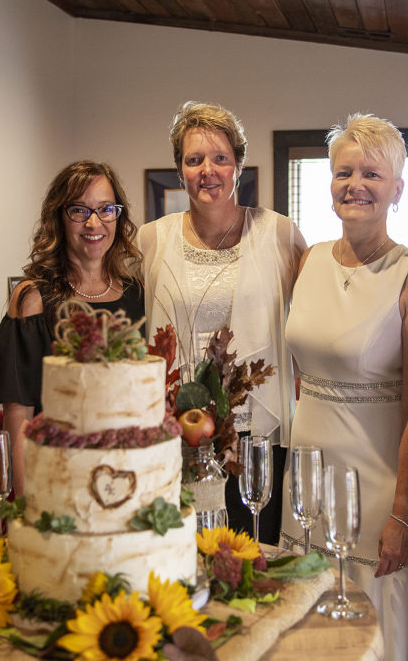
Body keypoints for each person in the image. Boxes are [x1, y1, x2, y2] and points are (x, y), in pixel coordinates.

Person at [279, 113, 408, 660]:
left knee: (376, 617)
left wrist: (404, 508)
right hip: (307, 473)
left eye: (372, 174)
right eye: (344, 172)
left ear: (397, 189)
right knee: (306, 607)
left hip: (379, 481)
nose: (356, 184)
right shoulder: (306, 261)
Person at [138, 101, 305, 544]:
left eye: (220, 159)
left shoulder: (279, 235)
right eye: (194, 160)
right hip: (179, 432)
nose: (208, 170)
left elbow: (314, 319)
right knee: (184, 555)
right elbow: (103, 291)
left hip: (257, 436)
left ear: (239, 165)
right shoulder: (152, 239)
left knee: (254, 554)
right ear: (180, 169)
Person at [0, 160, 144, 493]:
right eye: (79, 210)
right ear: (59, 217)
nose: (94, 223)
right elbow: (19, 418)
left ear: (119, 216)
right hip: (57, 479)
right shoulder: (33, 300)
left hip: (129, 477)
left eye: (106, 209)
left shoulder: (137, 295)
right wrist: (23, 507)